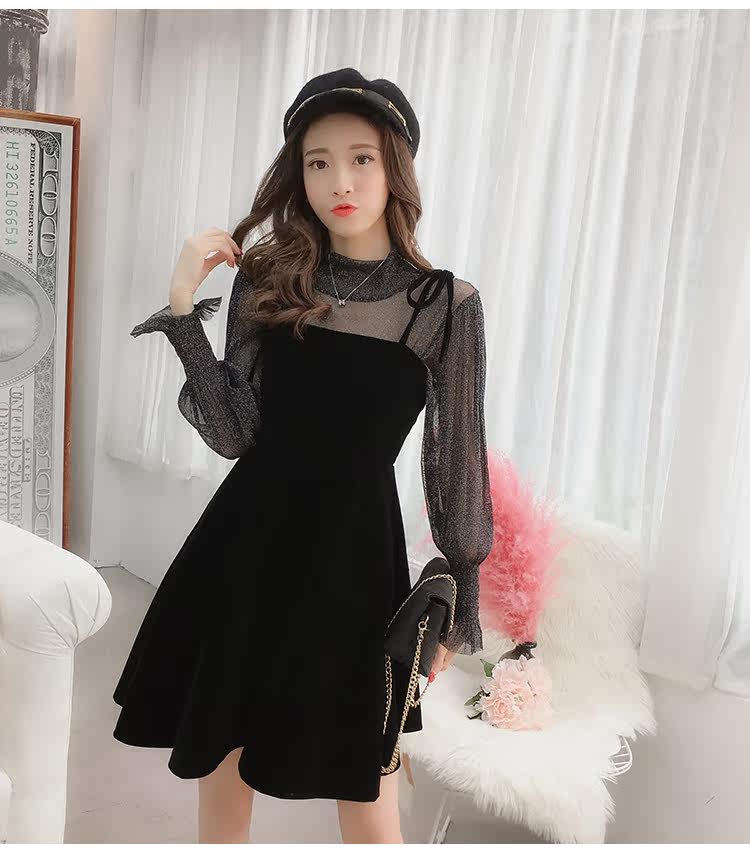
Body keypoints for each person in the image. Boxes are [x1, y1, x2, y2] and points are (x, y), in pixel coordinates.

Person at [112, 67, 494, 844]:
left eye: (361, 158)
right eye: (318, 162)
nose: (339, 181)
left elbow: (457, 462)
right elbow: (233, 434)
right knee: (224, 757)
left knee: (366, 780)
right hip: (246, 545)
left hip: (355, 562)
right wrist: (183, 306)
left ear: (395, 168)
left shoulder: (443, 306)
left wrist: (464, 600)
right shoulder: (268, 278)